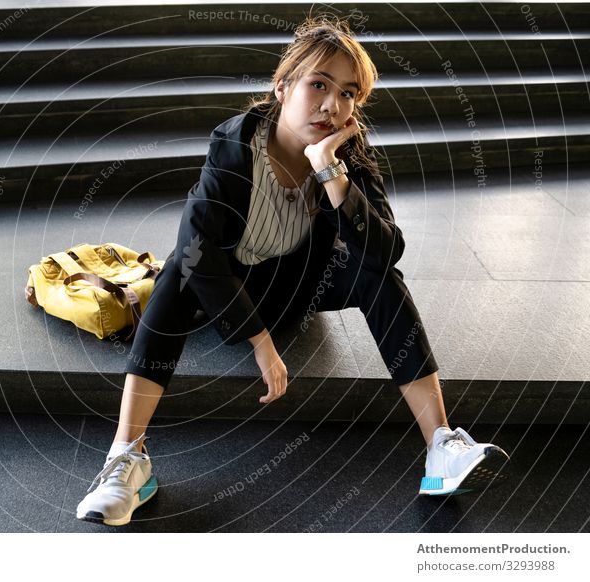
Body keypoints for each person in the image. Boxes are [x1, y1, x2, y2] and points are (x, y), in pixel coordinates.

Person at [76, 16, 509, 527]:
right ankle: (127, 458)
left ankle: (441, 446)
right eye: (318, 84)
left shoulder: (347, 156)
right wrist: (260, 340)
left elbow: (386, 249)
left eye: (349, 94)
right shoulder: (234, 148)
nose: (332, 104)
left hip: (302, 286)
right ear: (283, 87)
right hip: (235, 290)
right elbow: (197, 244)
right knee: (180, 266)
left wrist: (330, 171)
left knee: (377, 274)